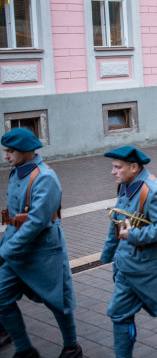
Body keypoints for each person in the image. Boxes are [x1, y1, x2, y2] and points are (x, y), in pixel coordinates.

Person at [101, 145, 157, 358]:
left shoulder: (152, 190)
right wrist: (108, 253)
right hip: (128, 266)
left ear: (134, 167)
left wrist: (133, 236)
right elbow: (117, 220)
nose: (113, 172)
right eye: (113, 167)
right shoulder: (127, 185)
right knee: (119, 313)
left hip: (155, 267)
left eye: (117, 167)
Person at [0, 129, 83, 358]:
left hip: (44, 250)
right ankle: (25, 350)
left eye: (10, 151)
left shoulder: (45, 177)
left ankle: (72, 346)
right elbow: (15, 218)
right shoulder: (16, 172)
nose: (6, 156)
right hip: (16, 248)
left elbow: (36, 223)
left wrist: (5, 250)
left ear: (26, 151)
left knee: (58, 300)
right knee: (1, 297)